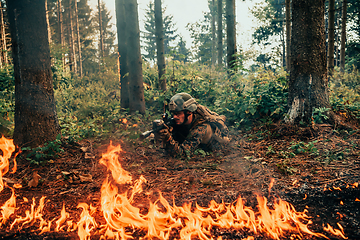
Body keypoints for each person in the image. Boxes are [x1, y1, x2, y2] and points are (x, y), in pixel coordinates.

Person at [156, 92, 230, 157]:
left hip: (214, 144)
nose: (174, 117)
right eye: (173, 113)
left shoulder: (200, 128)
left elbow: (182, 154)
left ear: (189, 112)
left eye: (178, 113)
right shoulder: (181, 119)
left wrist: (168, 138)